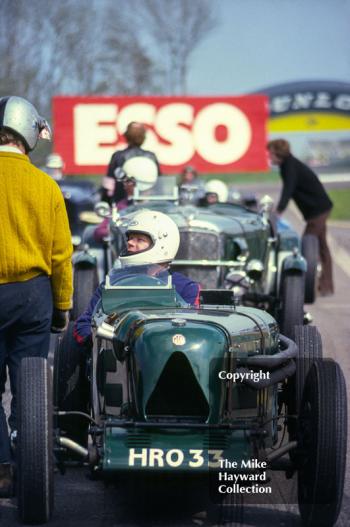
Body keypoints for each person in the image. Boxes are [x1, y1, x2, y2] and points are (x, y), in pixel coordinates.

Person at [0, 96, 73, 496]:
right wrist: (62, 307)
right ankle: (31, 464)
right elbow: (61, 255)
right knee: (28, 384)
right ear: (29, 133)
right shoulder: (46, 186)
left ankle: (1, 469)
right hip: (33, 295)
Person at [73, 209, 200, 346]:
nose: (130, 243)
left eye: (139, 239)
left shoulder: (186, 288)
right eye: (130, 238)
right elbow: (84, 323)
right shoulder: (112, 283)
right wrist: (97, 342)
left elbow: (189, 331)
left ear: (162, 245)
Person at [267, 138, 334, 296]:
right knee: (322, 247)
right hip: (317, 210)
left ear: (277, 154)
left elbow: (288, 190)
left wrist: (278, 212)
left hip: (318, 211)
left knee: (307, 246)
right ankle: (326, 287)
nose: (269, 157)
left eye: (270, 154)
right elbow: (288, 189)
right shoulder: (287, 165)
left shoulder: (290, 166)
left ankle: (304, 286)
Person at [101, 122, 161, 205]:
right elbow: (159, 183)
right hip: (147, 203)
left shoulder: (118, 156)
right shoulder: (151, 156)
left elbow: (108, 185)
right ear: (143, 137)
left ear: (126, 136)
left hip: (123, 205)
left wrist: (105, 203)